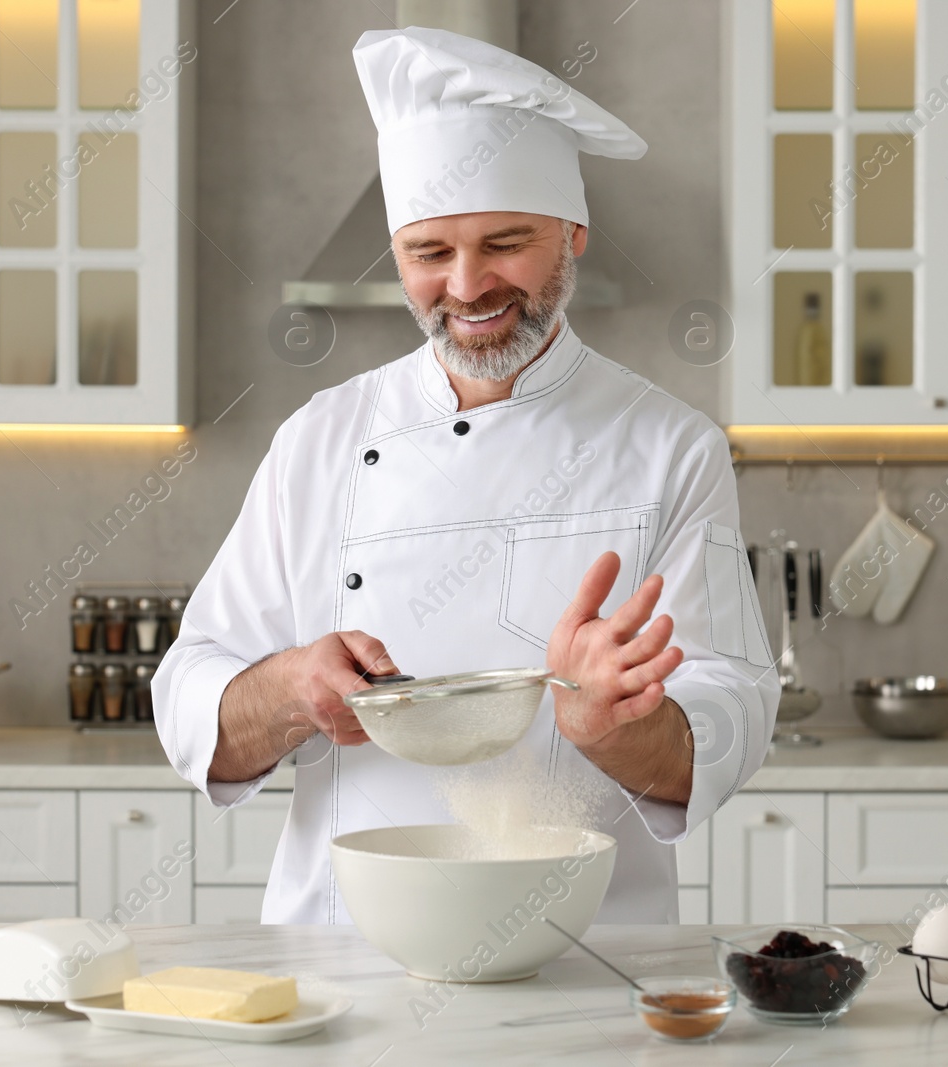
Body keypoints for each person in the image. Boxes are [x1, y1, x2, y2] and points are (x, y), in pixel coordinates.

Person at [153, 26, 777, 924]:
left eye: (505, 242)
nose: (468, 284)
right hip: (347, 952)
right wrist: (293, 686)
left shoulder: (670, 445)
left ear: (573, 232)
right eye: (428, 252)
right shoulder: (318, 441)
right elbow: (189, 699)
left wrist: (617, 721)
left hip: (582, 958)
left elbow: (730, 716)